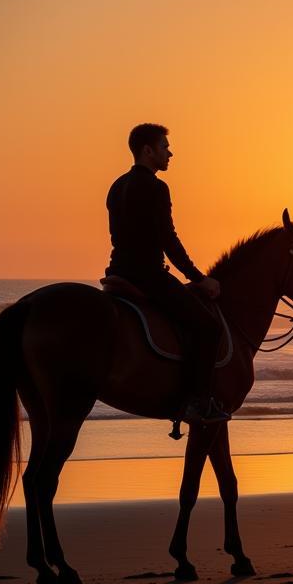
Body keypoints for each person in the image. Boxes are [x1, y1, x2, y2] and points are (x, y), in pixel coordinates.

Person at [105, 123, 229, 431]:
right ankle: (198, 402)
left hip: (117, 274)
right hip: (147, 276)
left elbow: (116, 235)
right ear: (147, 151)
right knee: (208, 328)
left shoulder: (116, 186)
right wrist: (199, 278)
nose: (169, 152)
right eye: (164, 147)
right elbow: (168, 240)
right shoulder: (156, 188)